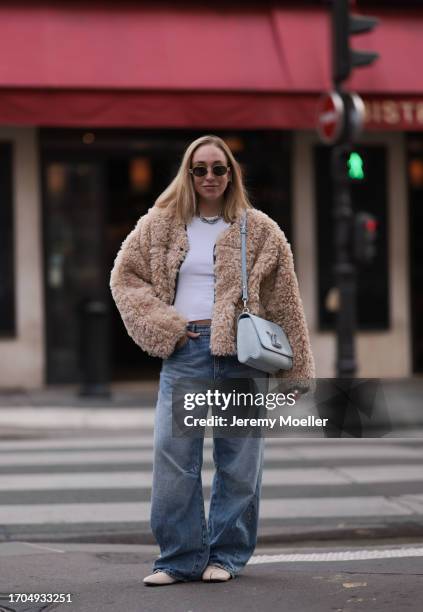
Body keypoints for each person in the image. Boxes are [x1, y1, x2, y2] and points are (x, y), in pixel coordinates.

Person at [110, 135, 315, 586]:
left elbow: (284, 301)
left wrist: (297, 367)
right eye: (199, 169)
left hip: (242, 357)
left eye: (218, 169)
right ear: (187, 174)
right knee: (174, 460)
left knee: (239, 464)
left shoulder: (259, 229)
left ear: (231, 174)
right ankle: (178, 558)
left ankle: (226, 554)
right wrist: (166, 326)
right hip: (186, 353)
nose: (208, 177)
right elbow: (125, 278)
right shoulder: (160, 225)